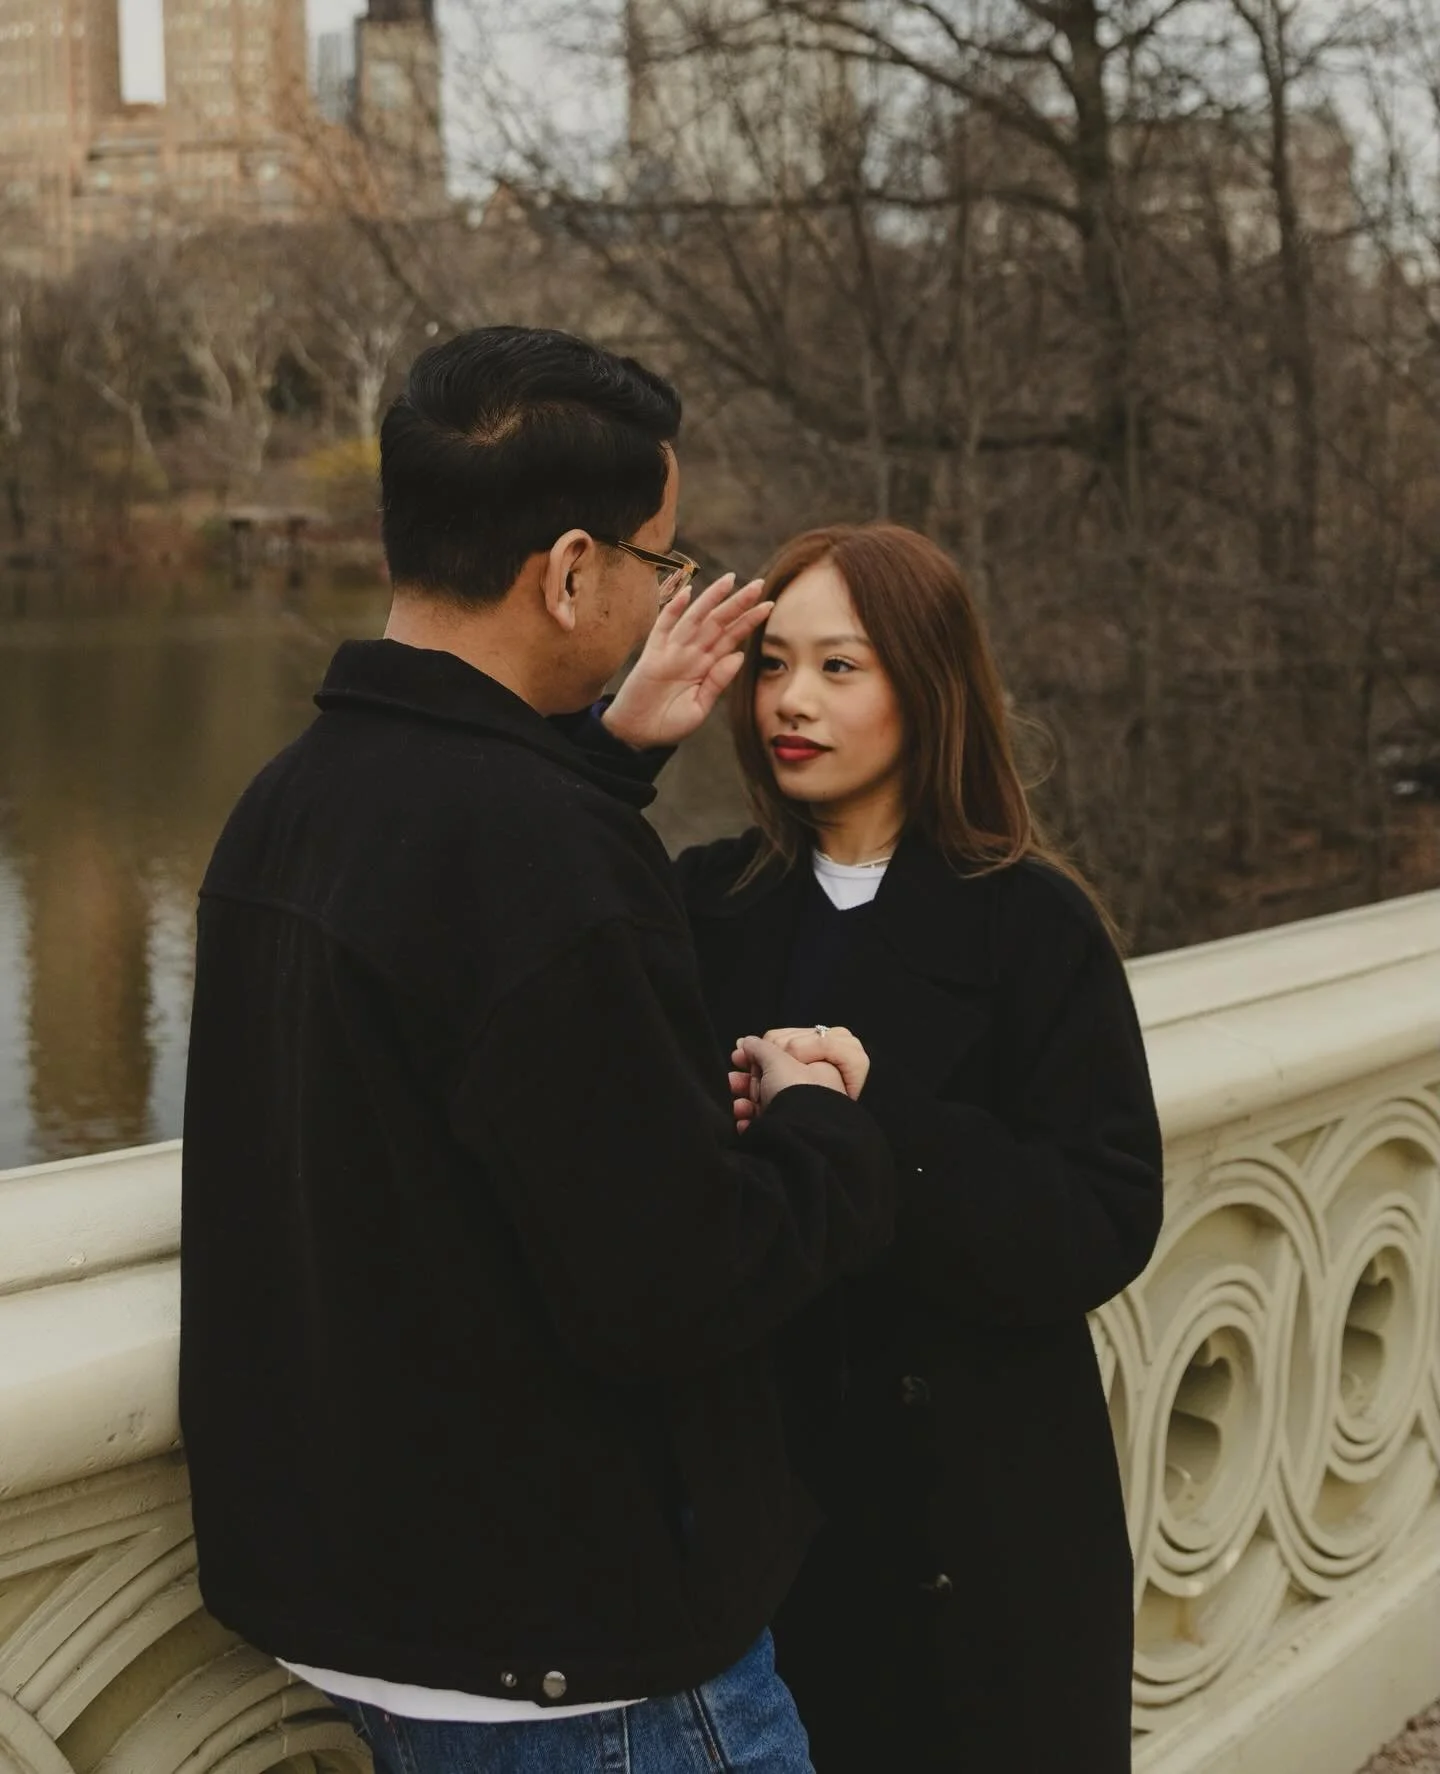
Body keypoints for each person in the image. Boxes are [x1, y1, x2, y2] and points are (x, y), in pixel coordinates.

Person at [179, 329, 897, 1774]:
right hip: (591, 1669)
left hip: (374, 1615)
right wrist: (823, 1124)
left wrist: (601, 763)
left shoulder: (286, 804)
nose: (661, 594)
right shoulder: (540, 853)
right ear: (571, 571)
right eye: (657, 560)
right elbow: (675, 1284)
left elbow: (442, 1056)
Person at [602, 521, 1165, 1773]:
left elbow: (1104, 1219)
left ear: (930, 686)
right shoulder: (707, 902)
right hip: (773, 1531)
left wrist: (881, 1119)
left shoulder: (1033, 922)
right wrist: (616, 757)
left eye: (839, 666)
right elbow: (540, 946)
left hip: (984, 1532)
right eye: (773, 665)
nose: (790, 700)